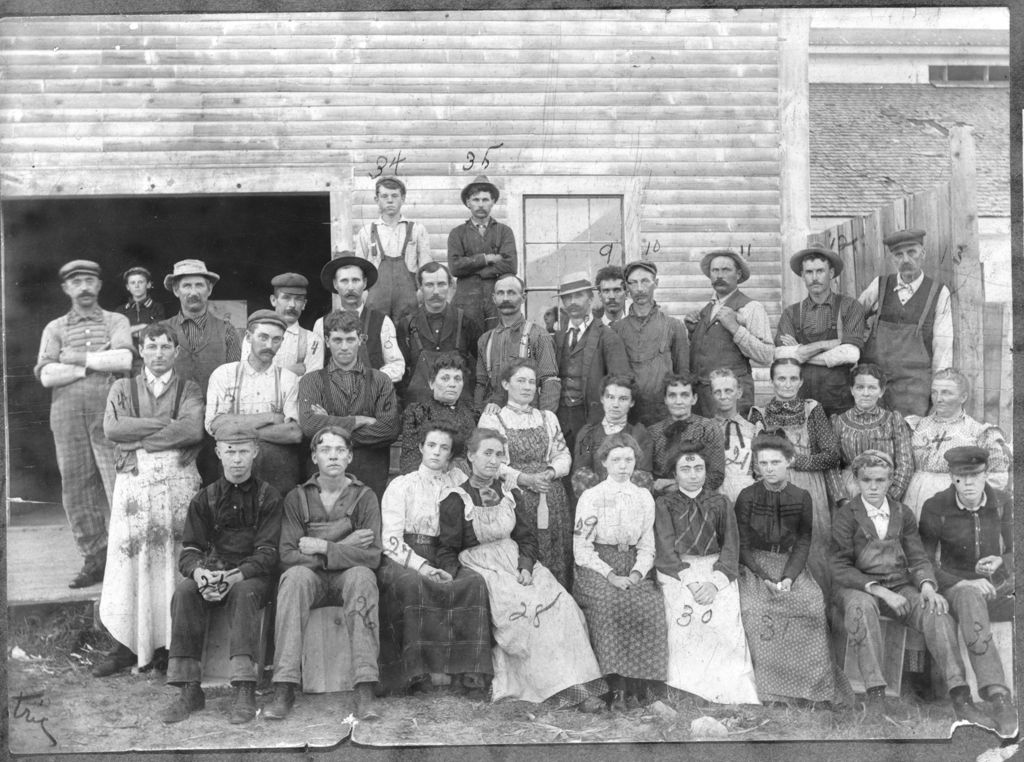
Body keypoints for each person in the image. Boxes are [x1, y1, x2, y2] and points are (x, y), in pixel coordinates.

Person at [436, 428, 606, 711]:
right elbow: (446, 549)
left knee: (563, 606)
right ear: (470, 456)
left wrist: (526, 567)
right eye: (487, 453)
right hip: (483, 568)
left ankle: (582, 685)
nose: (493, 460)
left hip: (516, 561)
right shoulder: (456, 498)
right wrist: (464, 578)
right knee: (526, 614)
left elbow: (526, 538)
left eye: (499, 454)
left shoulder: (510, 492)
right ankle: (554, 690)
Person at [829, 450, 992, 726]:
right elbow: (839, 566)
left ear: (891, 481)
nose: (873, 486)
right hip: (858, 588)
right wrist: (879, 591)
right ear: (855, 481)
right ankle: (876, 695)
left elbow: (918, 558)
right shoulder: (847, 515)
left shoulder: (902, 513)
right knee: (861, 608)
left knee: (937, 611)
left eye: (880, 480)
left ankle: (960, 696)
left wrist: (928, 587)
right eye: (866, 480)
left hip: (900, 586)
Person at [93, 323, 204, 677]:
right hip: (135, 487)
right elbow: (112, 429)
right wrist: (165, 425)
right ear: (141, 350)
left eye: (165, 347)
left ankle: (170, 647)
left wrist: (138, 437)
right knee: (130, 561)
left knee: (172, 560)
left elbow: (192, 429)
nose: (158, 353)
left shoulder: (189, 387)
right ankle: (128, 645)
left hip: (177, 487)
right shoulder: (122, 387)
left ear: (176, 351)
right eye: (151, 346)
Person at [161, 423, 283, 725]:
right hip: (213, 572)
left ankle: (244, 687)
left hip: (253, 578)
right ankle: (189, 689)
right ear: (218, 453)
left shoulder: (269, 497)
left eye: (244, 451)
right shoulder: (204, 499)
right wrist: (201, 574)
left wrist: (234, 577)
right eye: (230, 452)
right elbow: (189, 550)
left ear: (255, 452)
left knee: (243, 593)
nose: (237, 459)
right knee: (185, 592)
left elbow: (268, 554)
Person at [263, 426, 383, 722]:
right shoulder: (297, 497)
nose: (333, 456)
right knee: (294, 579)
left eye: (340, 450)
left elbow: (372, 555)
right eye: (326, 450)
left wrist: (322, 546)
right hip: (310, 580)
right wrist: (343, 546)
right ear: (314, 456)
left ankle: (365, 688)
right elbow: (288, 555)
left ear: (350, 457)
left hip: (348, 579)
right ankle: (284, 685)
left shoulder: (364, 496)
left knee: (362, 577)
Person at [36, 259, 134, 588]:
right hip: (65, 415)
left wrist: (76, 359)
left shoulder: (115, 320)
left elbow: (123, 359)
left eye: (90, 280)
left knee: (119, 482)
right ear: (66, 288)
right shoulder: (55, 328)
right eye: (76, 281)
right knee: (76, 488)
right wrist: (92, 365)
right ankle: (95, 558)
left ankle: (127, 558)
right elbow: (48, 375)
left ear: (100, 285)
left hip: (110, 412)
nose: (84, 287)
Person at [376, 425, 492, 696]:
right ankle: (417, 672)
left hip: (446, 553)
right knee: (414, 585)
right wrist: (422, 566)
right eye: (431, 445)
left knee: (473, 582)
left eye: (444, 448)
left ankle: (468, 670)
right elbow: (391, 540)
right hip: (405, 556)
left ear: (451, 455)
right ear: (421, 448)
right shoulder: (402, 485)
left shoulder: (458, 482)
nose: (436, 452)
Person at [734, 434, 849, 706]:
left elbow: (803, 541)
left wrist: (788, 577)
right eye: (763, 463)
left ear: (789, 462)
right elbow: (742, 544)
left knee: (810, 603)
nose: (769, 468)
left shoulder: (801, 496)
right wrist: (763, 577)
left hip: (790, 566)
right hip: (755, 567)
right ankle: (770, 691)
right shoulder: (747, 496)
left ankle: (811, 689)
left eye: (776, 461)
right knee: (755, 609)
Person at [918, 446, 1016, 736]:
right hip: (955, 586)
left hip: (997, 586)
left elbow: (1016, 547)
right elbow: (921, 560)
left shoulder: (1002, 502)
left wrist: (1003, 560)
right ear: (951, 477)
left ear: (986, 474)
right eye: (962, 477)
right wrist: (961, 583)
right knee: (970, 596)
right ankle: (998, 695)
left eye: (975, 475)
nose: (969, 482)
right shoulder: (936, 506)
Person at [654, 442, 759, 705]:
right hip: (679, 572)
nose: (692, 474)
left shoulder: (720, 502)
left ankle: (726, 692)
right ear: (675, 474)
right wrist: (690, 583)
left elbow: (731, 546)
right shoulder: (665, 504)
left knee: (723, 623)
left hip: (715, 571)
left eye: (698, 468)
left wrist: (715, 583)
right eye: (685, 469)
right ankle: (687, 692)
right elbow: (665, 550)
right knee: (683, 623)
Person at [572, 432, 666, 710]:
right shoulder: (592, 496)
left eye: (629, 459)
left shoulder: (644, 497)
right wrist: (611, 575)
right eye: (616, 460)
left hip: (633, 565)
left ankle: (641, 687)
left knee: (647, 603)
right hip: (598, 566)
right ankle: (614, 689)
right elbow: (582, 549)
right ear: (604, 462)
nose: (623, 466)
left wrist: (637, 574)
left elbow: (648, 546)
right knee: (611, 603)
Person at [478, 360, 574, 588]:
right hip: (515, 498)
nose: (527, 387)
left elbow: (563, 456)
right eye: (521, 381)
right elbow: (492, 462)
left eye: (532, 382)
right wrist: (524, 479)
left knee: (555, 557)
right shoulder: (494, 419)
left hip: (551, 498)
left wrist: (550, 473)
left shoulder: (548, 418)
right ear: (505, 384)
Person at [749, 358, 840, 592]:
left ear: (800, 382)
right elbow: (754, 461)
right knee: (777, 550)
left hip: (810, 487)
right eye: (781, 378)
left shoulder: (812, 410)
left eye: (792, 379)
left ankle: (821, 610)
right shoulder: (760, 414)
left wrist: (796, 461)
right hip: (773, 488)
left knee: (815, 548)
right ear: (771, 381)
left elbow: (832, 456)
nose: (787, 384)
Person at [297, 309, 401, 499]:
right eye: (337, 340)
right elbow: (310, 425)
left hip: (370, 474)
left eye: (350, 340)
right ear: (327, 341)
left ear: (361, 339)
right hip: (324, 479)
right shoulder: (311, 381)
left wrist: (329, 424)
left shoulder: (380, 380)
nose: (344, 347)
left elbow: (389, 429)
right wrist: (356, 420)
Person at [205, 310, 302, 498]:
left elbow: (294, 433)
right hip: (233, 465)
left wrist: (236, 428)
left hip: (277, 469)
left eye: (276, 340)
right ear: (248, 337)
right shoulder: (224, 374)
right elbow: (215, 426)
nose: (269, 345)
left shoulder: (289, 379)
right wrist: (270, 418)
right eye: (263, 337)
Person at [858, 229, 953, 417]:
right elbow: (853, 318)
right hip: (874, 383)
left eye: (912, 252)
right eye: (898, 254)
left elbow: (943, 347)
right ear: (892, 259)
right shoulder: (879, 284)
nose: (905, 259)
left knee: (909, 435)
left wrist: (938, 391)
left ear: (923, 254)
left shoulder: (938, 292)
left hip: (913, 387)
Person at [902, 368, 1010, 520]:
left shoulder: (977, 431)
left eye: (947, 393)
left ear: (963, 397)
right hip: (914, 498)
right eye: (934, 392)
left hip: (956, 503)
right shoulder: (917, 426)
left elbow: (997, 475)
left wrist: (972, 501)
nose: (938, 398)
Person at [775, 247, 866, 417]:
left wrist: (800, 352)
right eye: (809, 272)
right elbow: (781, 355)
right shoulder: (791, 313)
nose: (814, 278)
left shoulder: (850, 306)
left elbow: (850, 354)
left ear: (831, 273)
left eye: (820, 271)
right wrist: (829, 344)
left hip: (840, 402)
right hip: (801, 402)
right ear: (802, 275)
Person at [684, 249, 773, 417]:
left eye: (726, 270)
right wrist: (693, 333)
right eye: (715, 270)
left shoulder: (751, 308)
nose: (719, 275)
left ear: (738, 274)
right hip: (703, 401)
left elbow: (767, 355)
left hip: (733, 400)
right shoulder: (706, 309)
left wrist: (735, 328)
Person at [552, 272, 629, 454]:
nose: (572, 302)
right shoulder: (559, 336)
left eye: (578, 295)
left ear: (590, 298)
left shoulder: (607, 336)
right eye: (567, 297)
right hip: (561, 418)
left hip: (592, 417)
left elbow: (621, 382)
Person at [611, 260, 689, 425]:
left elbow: (683, 377)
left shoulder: (674, 326)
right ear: (626, 288)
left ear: (656, 283)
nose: (639, 289)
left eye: (645, 281)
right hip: (629, 420)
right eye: (633, 283)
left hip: (665, 419)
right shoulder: (616, 330)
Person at [827, 363, 914, 505]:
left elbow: (906, 464)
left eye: (872, 387)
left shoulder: (893, 420)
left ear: (881, 391)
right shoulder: (838, 422)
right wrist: (842, 498)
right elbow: (832, 465)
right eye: (860, 387)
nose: (865, 393)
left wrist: (889, 497)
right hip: (851, 489)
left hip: (886, 489)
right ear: (852, 390)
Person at [397, 261, 482, 406]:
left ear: (449, 286)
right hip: (418, 408)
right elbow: (400, 371)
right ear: (420, 287)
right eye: (429, 285)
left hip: (459, 408)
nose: (435, 291)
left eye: (441, 284)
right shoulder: (407, 324)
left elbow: (481, 367)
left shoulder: (466, 322)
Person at [312, 255, 405, 384]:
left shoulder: (382, 322)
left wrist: (369, 380)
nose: (350, 287)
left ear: (365, 283)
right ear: (335, 284)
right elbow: (315, 368)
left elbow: (396, 365)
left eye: (355, 280)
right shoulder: (321, 325)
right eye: (344, 281)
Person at [475, 273, 560, 413]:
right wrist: (479, 415)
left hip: (529, 419)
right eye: (500, 293)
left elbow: (549, 382)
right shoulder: (485, 340)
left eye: (511, 293)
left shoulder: (538, 336)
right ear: (494, 299)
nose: (506, 298)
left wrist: (544, 419)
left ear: (523, 298)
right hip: (495, 420)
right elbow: (481, 384)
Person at [356, 176, 433, 323]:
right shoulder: (366, 232)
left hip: (408, 302)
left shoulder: (417, 230)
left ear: (403, 198)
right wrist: (365, 296)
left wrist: (419, 295)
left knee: (407, 340)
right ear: (376, 199)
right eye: (384, 196)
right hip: (375, 301)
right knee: (376, 339)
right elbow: (359, 271)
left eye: (394, 196)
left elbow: (426, 268)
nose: (390, 200)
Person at [447, 174, 517, 331]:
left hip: (496, 301)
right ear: (468, 203)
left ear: (493, 202)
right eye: (476, 200)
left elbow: (511, 266)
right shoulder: (457, 233)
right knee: (467, 346)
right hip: (466, 302)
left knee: (497, 345)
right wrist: (485, 259)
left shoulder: (504, 232)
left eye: (485, 200)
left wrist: (471, 267)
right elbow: (455, 267)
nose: (480, 204)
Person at [163, 259, 241, 394]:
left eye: (199, 285)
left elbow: (237, 378)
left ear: (209, 289)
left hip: (216, 411)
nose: (193, 292)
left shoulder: (227, 330)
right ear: (176, 290)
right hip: (173, 412)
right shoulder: (162, 330)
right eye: (186, 286)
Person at [571, 374, 654, 496]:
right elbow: (581, 474)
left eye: (623, 399)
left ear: (632, 402)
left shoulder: (639, 434)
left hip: (629, 503)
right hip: (596, 503)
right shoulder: (588, 434)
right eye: (610, 397)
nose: (615, 404)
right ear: (602, 399)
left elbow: (643, 477)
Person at [398, 352, 479, 475]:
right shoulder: (417, 412)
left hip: (466, 481)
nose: (452, 384)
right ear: (431, 383)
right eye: (445, 378)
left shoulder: (470, 412)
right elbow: (409, 461)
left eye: (457, 379)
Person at [648, 373, 725, 495]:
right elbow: (648, 477)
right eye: (672, 396)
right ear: (665, 399)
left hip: (699, 499)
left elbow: (716, 475)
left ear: (694, 399)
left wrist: (677, 486)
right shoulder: (653, 432)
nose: (678, 401)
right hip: (661, 500)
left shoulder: (708, 428)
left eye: (684, 395)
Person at [240, 273, 322, 377]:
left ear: (304, 304)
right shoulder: (255, 335)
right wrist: (289, 371)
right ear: (273, 300)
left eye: (298, 299)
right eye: (286, 298)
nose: (292, 305)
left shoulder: (312, 340)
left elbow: (312, 383)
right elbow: (248, 375)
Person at [708, 368, 757, 502]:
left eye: (728, 390)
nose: (723, 396)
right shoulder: (705, 429)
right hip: (715, 499)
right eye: (718, 392)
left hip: (747, 499)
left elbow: (758, 472)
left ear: (739, 392)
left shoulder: (752, 430)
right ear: (712, 395)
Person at [115, 265, 165, 374]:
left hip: (151, 359)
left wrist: (128, 331)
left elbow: (157, 333)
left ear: (148, 284)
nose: (137, 286)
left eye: (141, 282)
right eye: (133, 283)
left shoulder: (157, 308)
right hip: (126, 361)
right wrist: (143, 327)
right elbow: (116, 335)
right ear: (128, 287)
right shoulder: (121, 310)